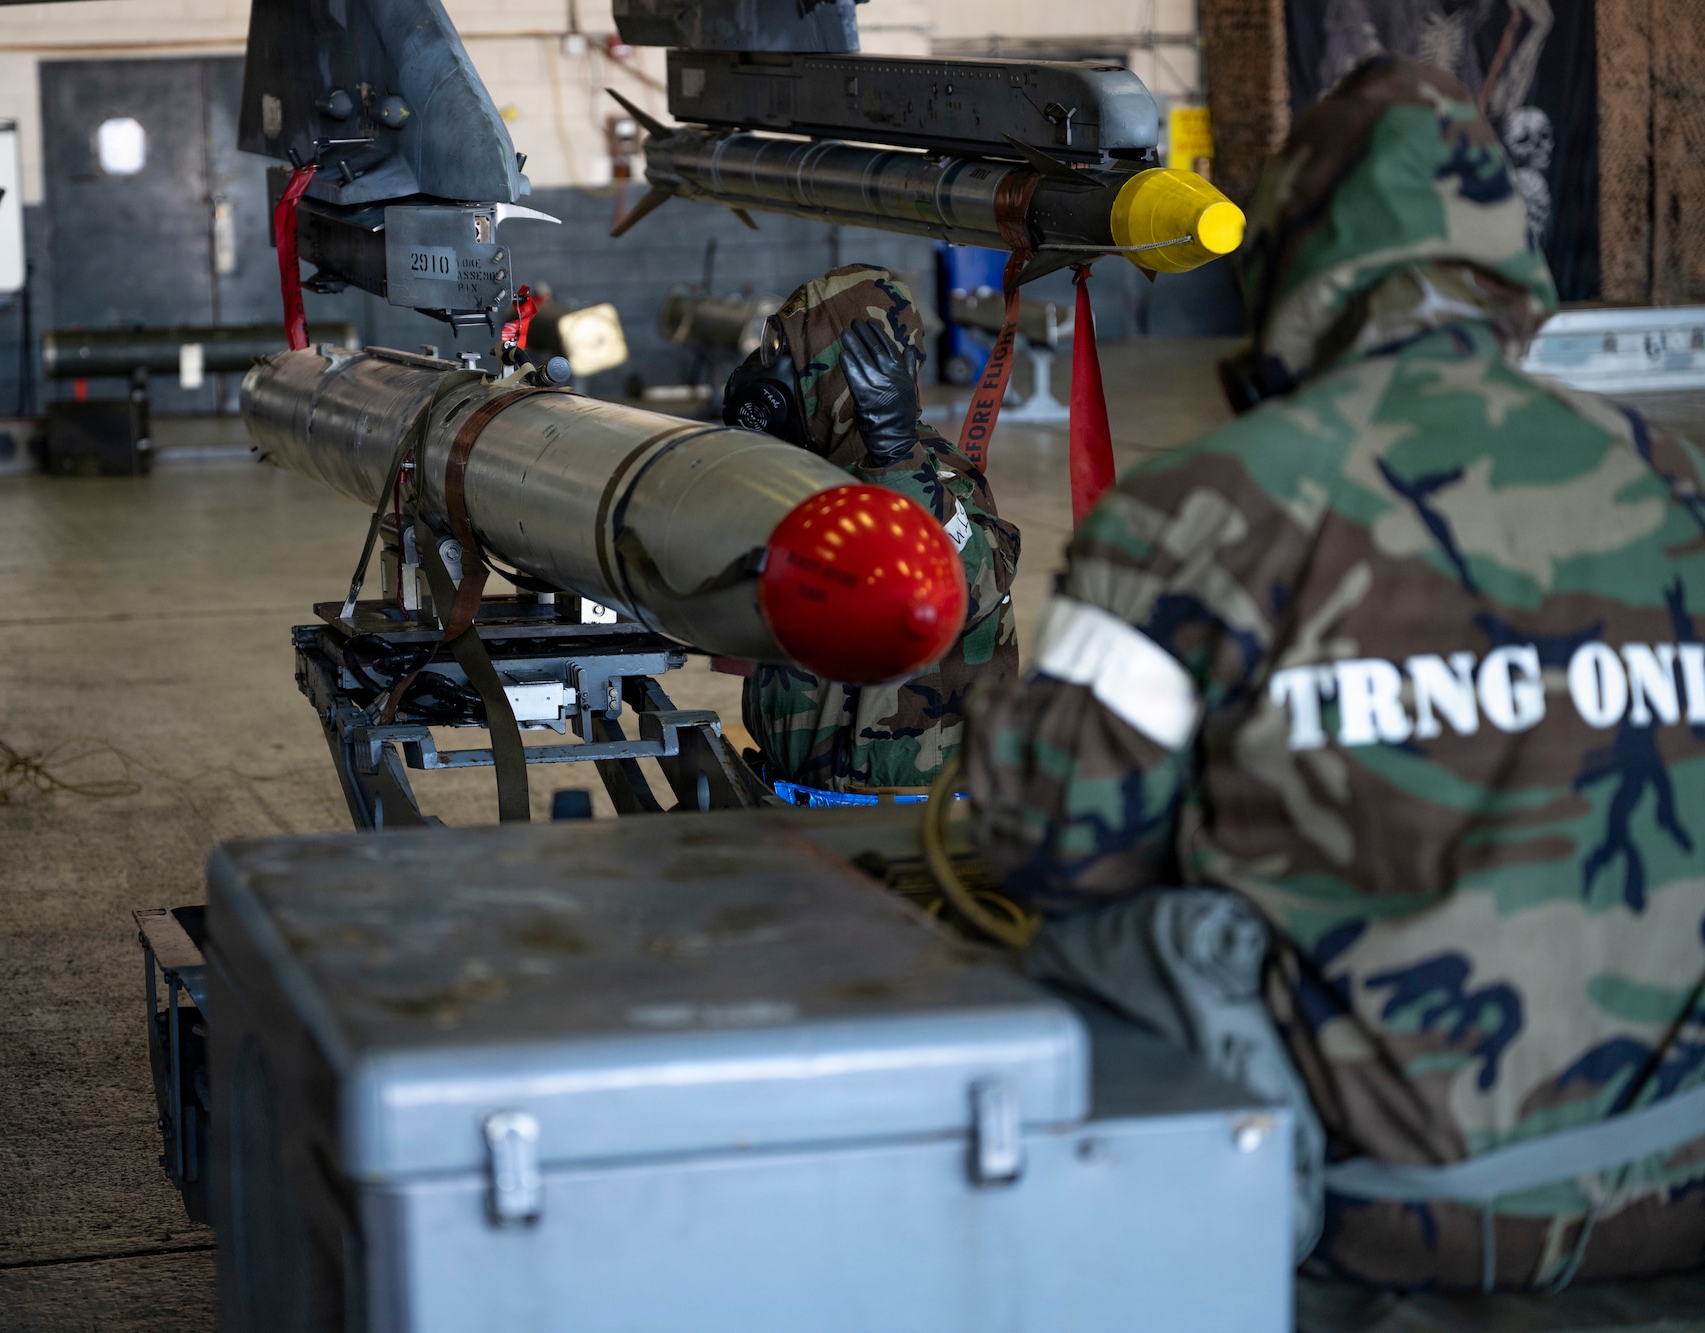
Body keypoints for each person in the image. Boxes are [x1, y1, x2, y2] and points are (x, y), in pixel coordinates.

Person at [966, 57, 1705, 1291]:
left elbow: (1048, 845)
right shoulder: (1674, 480)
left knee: (1096, 950)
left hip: (1373, 1221)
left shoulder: (1202, 509)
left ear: (1300, 255)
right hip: (1680, 1192)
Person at [724, 264, 1020, 799]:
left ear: (837, 374)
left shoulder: (934, 472)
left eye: (792, 357)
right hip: (794, 796)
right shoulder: (803, 479)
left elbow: (976, 578)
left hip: (905, 810)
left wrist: (895, 457)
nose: (770, 373)